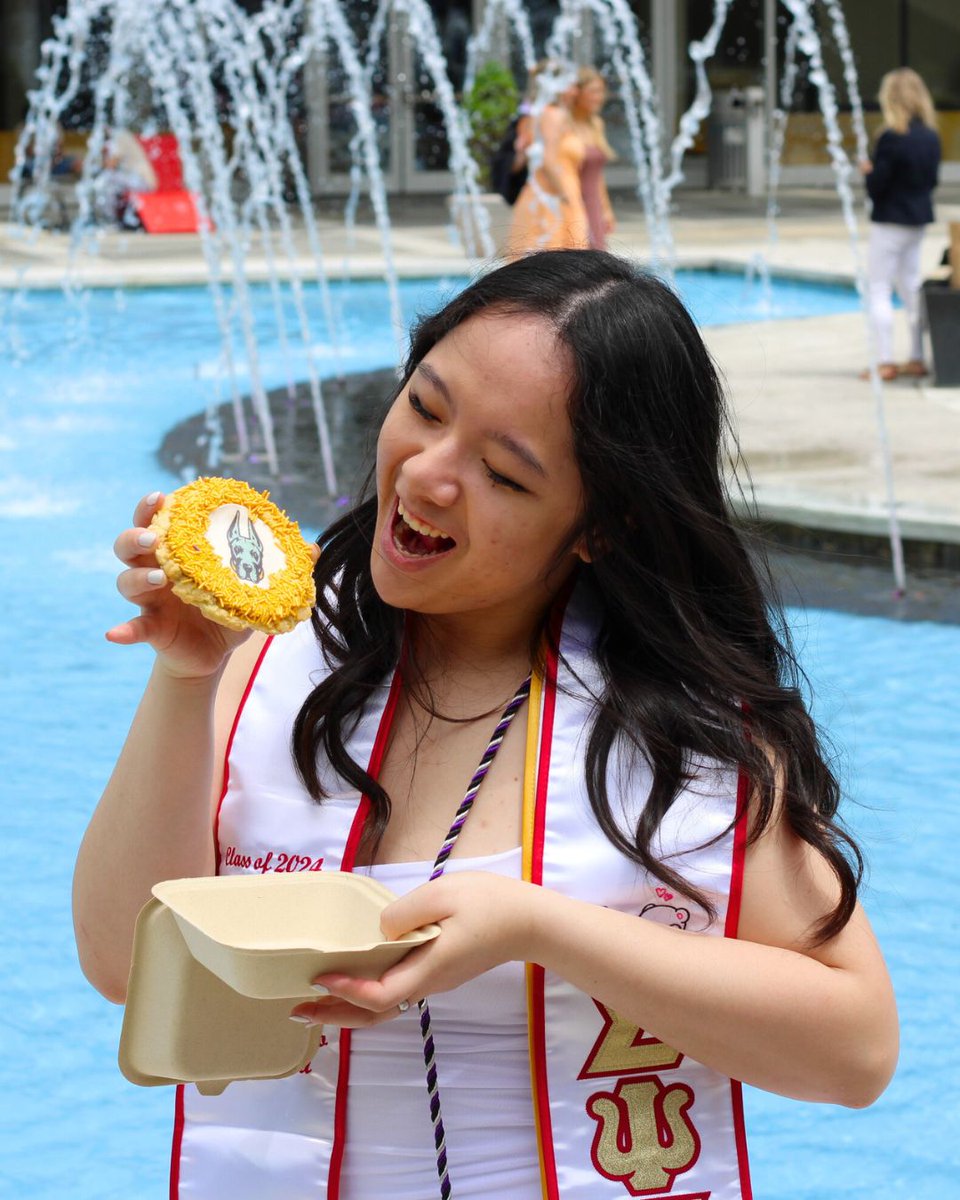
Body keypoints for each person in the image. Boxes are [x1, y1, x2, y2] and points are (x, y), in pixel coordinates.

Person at [73, 250, 898, 1199]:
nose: (427, 476)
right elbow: (122, 964)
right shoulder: (269, 656)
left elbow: (857, 1050)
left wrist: (542, 928)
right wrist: (185, 678)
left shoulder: (681, 741)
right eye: (425, 406)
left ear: (601, 525)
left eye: (504, 475)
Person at [859, 68, 940, 381]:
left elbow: (878, 186)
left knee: (878, 287)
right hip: (917, 220)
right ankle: (917, 357)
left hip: (890, 220)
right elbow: (931, 180)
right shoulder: (930, 136)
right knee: (911, 287)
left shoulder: (892, 137)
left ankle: (885, 360)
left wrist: (868, 170)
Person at [507, 66, 590, 256]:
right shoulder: (553, 115)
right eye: (571, 85)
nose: (575, 91)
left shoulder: (542, 114)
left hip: (547, 193)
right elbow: (549, 161)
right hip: (554, 194)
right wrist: (564, 197)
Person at [570, 67, 617, 250]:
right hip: (572, 203)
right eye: (594, 91)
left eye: (602, 91)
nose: (600, 97)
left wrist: (606, 210)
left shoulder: (596, 124)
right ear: (577, 92)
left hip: (593, 203)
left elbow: (598, 176)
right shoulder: (564, 126)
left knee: (596, 257)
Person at [95, 128, 158, 228]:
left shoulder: (119, 137)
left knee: (106, 179)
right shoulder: (117, 137)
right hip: (133, 180)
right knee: (110, 188)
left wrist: (100, 154)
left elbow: (110, 165)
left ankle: (110, 220)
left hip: (143, 181)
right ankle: (114, 219)